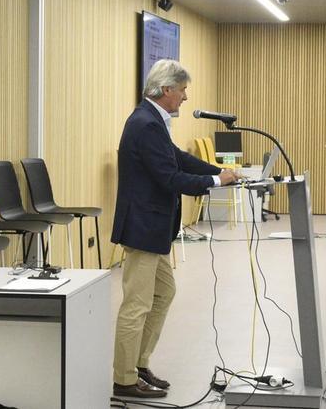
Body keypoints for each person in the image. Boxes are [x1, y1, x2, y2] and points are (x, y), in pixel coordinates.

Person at [111, 59, 238, 399]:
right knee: (136, 305)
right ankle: (124, 380)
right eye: (182, 90)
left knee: (163, 294)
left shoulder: (153, 120)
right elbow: (170, 178)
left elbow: (178, 160)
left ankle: (138, 365)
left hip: (153, 229)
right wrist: (214, 180)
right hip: (143, 228)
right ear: (167, 90)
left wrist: (220, 172)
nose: (185, 97)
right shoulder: (146, 124)